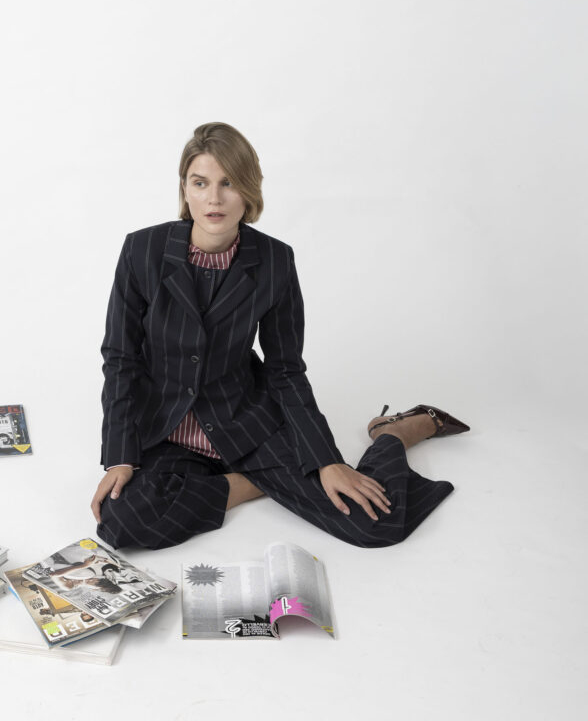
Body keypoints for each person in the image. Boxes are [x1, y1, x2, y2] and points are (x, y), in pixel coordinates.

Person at [90, 122, 468, 551]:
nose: (214, 199)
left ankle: (394, 433)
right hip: (168, 430)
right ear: (185, 188)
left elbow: (285, 369)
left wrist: (325, 460)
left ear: (250, 189)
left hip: (245, 423)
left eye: (228, 183)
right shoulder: (142, 250)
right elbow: (120, 358)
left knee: (374, 524)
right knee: (121, 520)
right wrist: (120, 456)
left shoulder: (275, 260)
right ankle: (254, 484)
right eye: (200, 183)